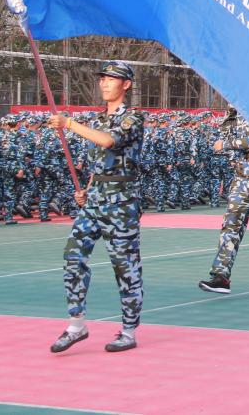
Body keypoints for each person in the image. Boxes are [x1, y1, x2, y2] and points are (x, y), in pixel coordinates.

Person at [47, 61, 145, 353]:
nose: (104, 83)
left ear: (126, 84)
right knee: (73, 257)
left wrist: (69, 124)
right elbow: (98, 163)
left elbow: (108, 142)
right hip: (95, 200)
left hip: (121, 202)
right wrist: (86, 191)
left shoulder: (133, 118)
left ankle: (128, 331)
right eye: (102, 79)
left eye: (111, 79)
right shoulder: (97, 119)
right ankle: (77, 324)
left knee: (124, 266)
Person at [198, 108, 249, 298]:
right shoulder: (239, 111)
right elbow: (225, 133)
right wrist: (230, 114)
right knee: (230, 225)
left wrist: (225, 144)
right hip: (242, 175)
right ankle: (221, 276)